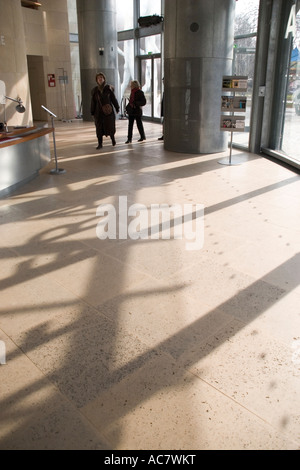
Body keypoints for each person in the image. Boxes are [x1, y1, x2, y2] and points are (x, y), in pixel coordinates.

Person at [91, 72, 120, 149]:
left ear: (104, 79)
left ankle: (113, 139)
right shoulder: (95, 91)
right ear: (97, 80)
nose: (100, 79)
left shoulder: (108, 89)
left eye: (101, 78)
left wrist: (117, 107)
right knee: (99, 128)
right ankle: (100, 144)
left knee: (110, 127)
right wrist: (92, 111)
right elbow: (93, 102)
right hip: (98, 113)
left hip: (108, 112)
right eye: (98, 78)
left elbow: (113, 99)